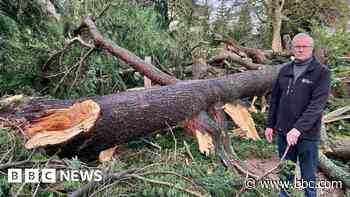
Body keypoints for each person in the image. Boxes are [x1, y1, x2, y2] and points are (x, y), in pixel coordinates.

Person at [264, 33, 331, 197]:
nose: (300, 49)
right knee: (285, 171)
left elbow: (317, 106)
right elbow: (275, 99)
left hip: (307, 135)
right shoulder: (285, 70)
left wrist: (298, 129)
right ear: (292, 48)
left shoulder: (321, 73)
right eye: (297, 46)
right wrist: (270, 124)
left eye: (304, 46)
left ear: (311, 48)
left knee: (308, 174)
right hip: (283, 131)